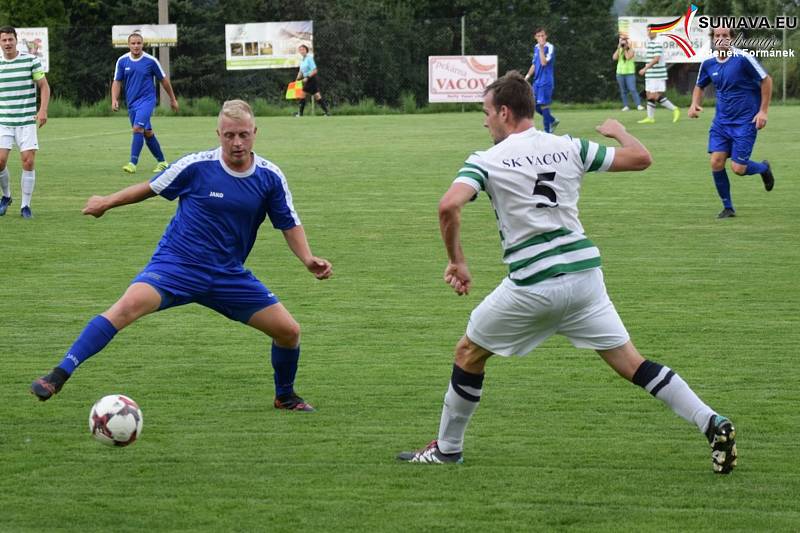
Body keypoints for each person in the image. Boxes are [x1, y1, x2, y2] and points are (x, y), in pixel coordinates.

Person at [397, 72, 737, 474]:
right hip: (584, 280)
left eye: (487, 113)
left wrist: (457, 261)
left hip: (533, 284)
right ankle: (711, 421)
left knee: (468, 353)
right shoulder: (568, 145)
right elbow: (641, 159)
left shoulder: (485, 159)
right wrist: (619, 131)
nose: (484, 121)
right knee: (632, 363)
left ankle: (447, 449)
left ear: (504, 112)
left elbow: (448, 206)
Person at [31, 100, 332, 412]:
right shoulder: (197, 167)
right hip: (176, 265)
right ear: (218, 133)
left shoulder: (270, 177)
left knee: (289, 331)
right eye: (229, 135)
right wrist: (106, 202)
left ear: (255, 132)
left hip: (226, 275)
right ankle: (58, 374)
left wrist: (308, 259)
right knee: (126, 307)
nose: (237, 142)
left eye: (243, 134)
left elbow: (288, 222)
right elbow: (150, 188)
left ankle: (284, 396)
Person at [688, 27, 774, 219]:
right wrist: (694, 104)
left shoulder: (743, 58)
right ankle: (728, 207)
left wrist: (763, 111)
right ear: (713, 39)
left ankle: (763, 168)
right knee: (716, 162)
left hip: (745, 121)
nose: (721, 39)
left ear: (732, 38)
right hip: (721, 123)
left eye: (725, 36)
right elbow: (699, 86)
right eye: (717, 36)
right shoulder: (709, 63)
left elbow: (766, 80)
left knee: (739, 169)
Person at [0, 26, 50, 218]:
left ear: (16, 40)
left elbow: (44, 87)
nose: (7, 43)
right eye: (4, 40)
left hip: (26, 121)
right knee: (0, 161)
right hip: (3, 121)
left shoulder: (30, 61)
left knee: (28, 161)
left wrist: (43, 109)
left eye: (10, 39)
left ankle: (25, 206)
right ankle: (6, 197)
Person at [111, 32, 179, 174]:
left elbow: (164, 81)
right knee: (147, 132)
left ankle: (132, 163)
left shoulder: (151, 61)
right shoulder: (122, 61)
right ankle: (162, 162)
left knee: (137, 129)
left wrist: (173, 99)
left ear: (143, 44)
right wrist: (114, 99)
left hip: (147, 101)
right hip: (132, 103)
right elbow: (117, 81)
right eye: (133, 43)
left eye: (139, 43)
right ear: (129, 45)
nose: (136, 46)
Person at [637, 25, 679, 124]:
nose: (649, 33)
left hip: (657, 75)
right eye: (647, 31)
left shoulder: (657, 42)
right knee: (648, 95)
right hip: (651, 75)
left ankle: (674, 109)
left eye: (650, 31)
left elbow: (656, 59)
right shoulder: (650, 43)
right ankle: (650, 118)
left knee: (654, 96)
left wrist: (645, 69)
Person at [524, 28, 558, 133]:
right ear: (535, 37)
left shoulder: (549, 47)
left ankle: (547, 131)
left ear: (546, 36)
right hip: (537, 81)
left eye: (542, 36)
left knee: (543, 105)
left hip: (546, 81)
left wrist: (542, 49)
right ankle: (552, 120)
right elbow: (535, 64)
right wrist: (526, 77)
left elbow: (543, 63)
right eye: (538, 36)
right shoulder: (536, 47)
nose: (541, 38)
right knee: (533, 104)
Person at [294, 44, 330, 117]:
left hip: (311, 79)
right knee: (317, 95)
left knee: (302, 94)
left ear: (306, 50)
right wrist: (297, 80)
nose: (302, 51)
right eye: (300, 50)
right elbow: (301, 71)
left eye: (303, 49)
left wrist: (307, 77)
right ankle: (327, 112)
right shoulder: (302, 60)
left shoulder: (309, 58)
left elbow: (315, 70)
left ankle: (300, 114)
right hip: (307, 79)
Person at [613, 36, 643, 112]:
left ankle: (638, 105)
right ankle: (626, 106)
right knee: (623, 91)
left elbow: (627, 57)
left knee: (632, 89)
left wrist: (625, 48)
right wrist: (618, 48)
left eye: (624, 43)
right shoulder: (619, 50)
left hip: (630, 73)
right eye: (622, 43)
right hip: (620, 73)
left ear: (627, 44)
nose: (623, 45)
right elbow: (614, 58)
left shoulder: (631, 50)